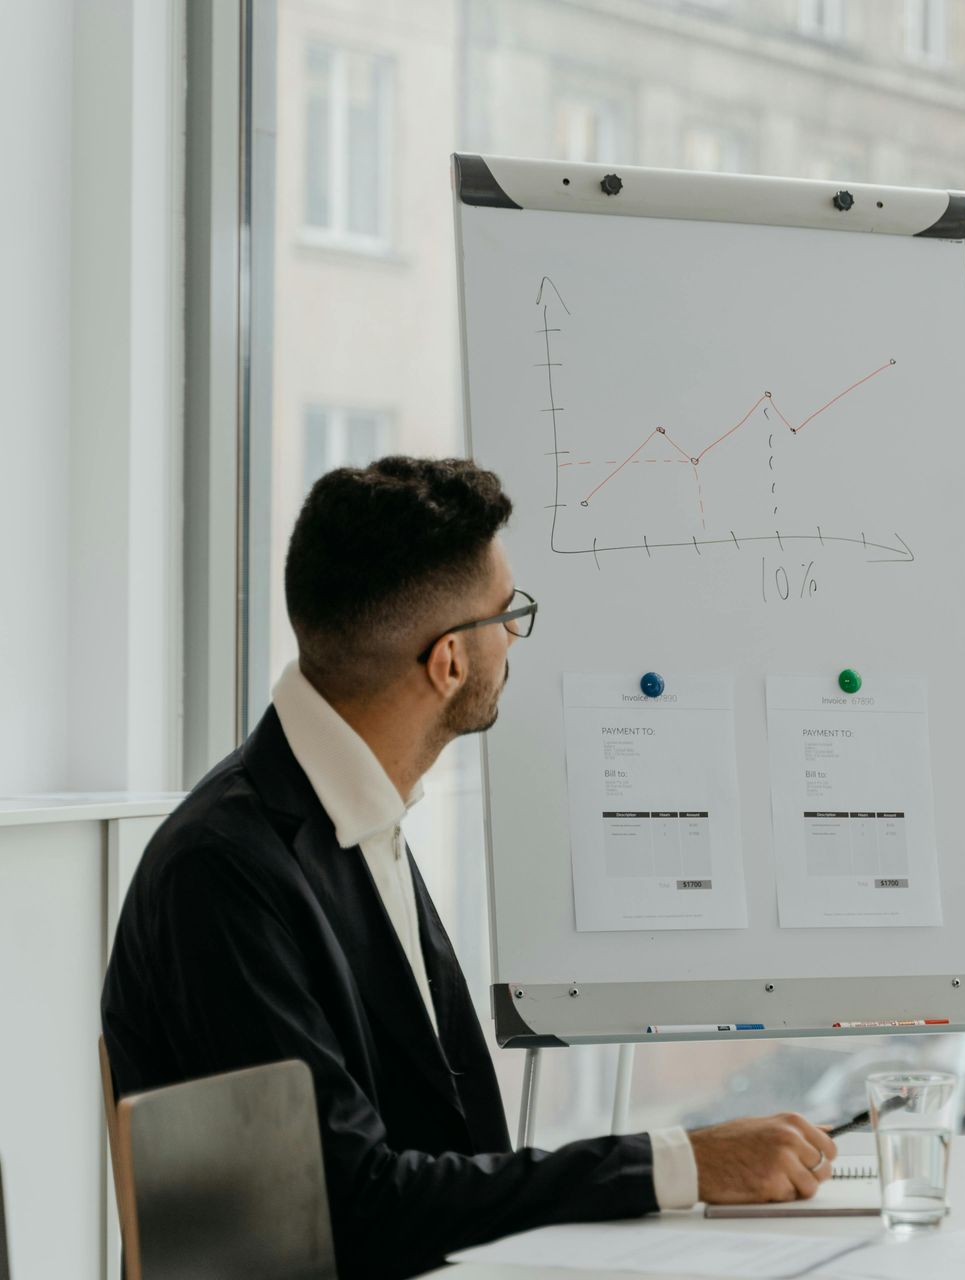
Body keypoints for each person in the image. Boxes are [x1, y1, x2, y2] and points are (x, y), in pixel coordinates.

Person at [102, 458, 837, 1279]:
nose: (515, 635)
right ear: (449, 660)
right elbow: (353, 1206)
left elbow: (443, 1148)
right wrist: (676, 1165)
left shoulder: (350, 808)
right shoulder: (220, 873)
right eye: (508, 613)